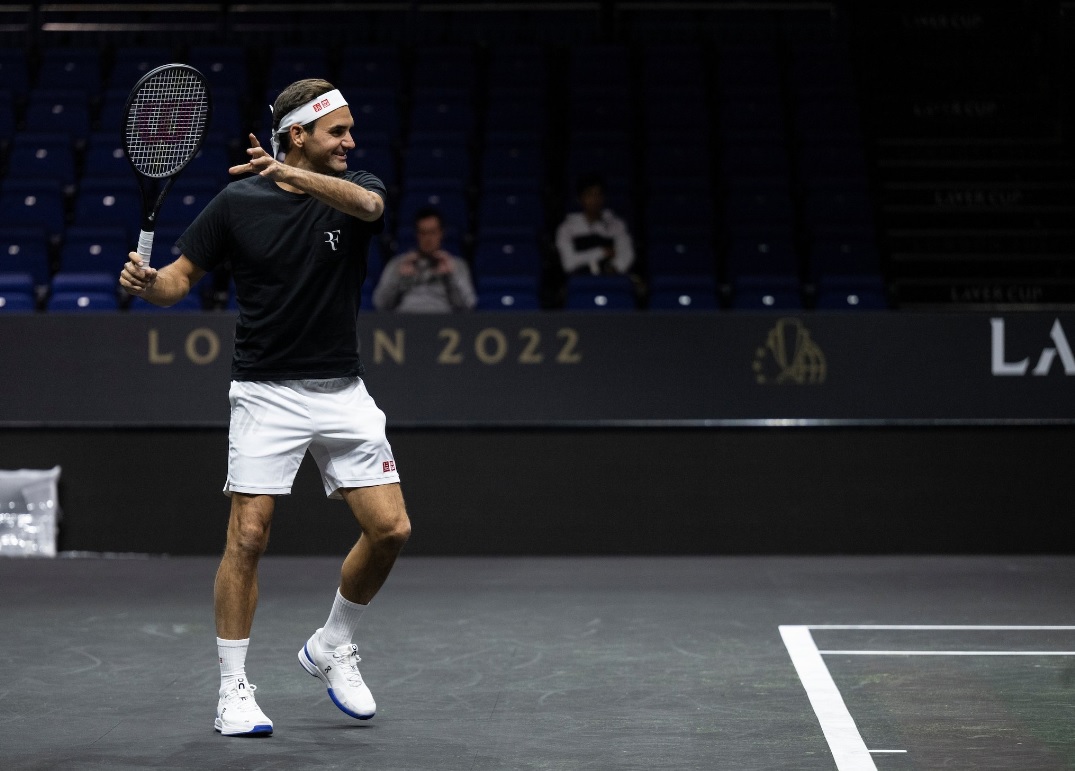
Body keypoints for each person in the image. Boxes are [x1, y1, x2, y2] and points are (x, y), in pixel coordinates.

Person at [118, 78, 411, 738]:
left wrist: (290, 174)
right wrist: (147, 282)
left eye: (350, 130)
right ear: (298, 134)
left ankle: (332, 642)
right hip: (264, 390)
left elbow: (367, 205)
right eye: (337, 130)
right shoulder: (236, 204)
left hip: (342, 390)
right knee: (247, 536)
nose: (350, 141)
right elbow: (177, 282)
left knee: (390, 529)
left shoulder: (353, 186)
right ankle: (234, 690)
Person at [372, 206, 476, 312]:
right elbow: (380, 304)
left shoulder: (456, 265)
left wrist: (451, 277)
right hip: (404, 324)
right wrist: (399, 279)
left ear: (441, 233)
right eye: (423, 233)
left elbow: (469, 305)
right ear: (416, 235)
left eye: (432, 232)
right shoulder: (398, 264)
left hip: (443, 325)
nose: (428, 238)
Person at [555, 173, 635, 276]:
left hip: (611, 281)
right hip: (580, 284)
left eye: (598, 194)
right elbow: (569, 264)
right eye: (589, 195)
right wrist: (602, 252)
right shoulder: (566, 228)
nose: (594, 200)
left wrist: (614, 268)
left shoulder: (616, 224)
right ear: (580, 199)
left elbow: (627, 255)